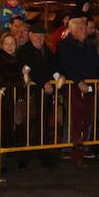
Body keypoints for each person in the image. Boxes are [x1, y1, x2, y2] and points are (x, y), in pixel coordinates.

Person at [57, 16, 99, 163]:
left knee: (88, 116)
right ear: (72, 30)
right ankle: (67, 147)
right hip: (73, 87)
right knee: (72, 117)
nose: (84, 30)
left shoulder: (91, 45)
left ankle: (84, 145)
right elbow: (66, 65)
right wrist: (78, 82)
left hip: (90, 86)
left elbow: (98, 65)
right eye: (80, 28)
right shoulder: (63, 45)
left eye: (84, 27)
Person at [16, 24, 62, 167]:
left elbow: (53, 67)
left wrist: (58, 77)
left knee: (43, 124)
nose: (39, 39)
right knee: (28, 125)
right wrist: (43, 83)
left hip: (44, 95)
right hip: (31, 94)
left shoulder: (46, 52)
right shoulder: (24, 51)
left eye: (42, 36)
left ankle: (43, 154)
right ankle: (24, 156)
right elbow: (29, 71)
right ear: (30, 35)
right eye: (36, 35)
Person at [0, 32, 26, 169]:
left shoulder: (18, 59)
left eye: (12, 43)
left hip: (13, 99)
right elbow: (2, 79)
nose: (9, 46)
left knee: (12, 129)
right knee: (0, 131)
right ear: (1, 45)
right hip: (1, 100)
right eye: (6, 43)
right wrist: (20, 80)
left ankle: (6, 160)